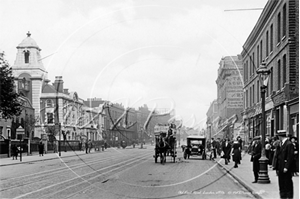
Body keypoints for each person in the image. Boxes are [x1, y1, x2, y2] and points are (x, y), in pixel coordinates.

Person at [273, 130, 294, 199]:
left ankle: (289, 196)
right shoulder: (280, 144)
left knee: (287, 183)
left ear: (280, 136)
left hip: (285, 167)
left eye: (278, 136)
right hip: (280, 166)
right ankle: (283, 196)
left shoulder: (289, 144)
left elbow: (290, 157)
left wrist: (286, 167)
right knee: (281, 183)